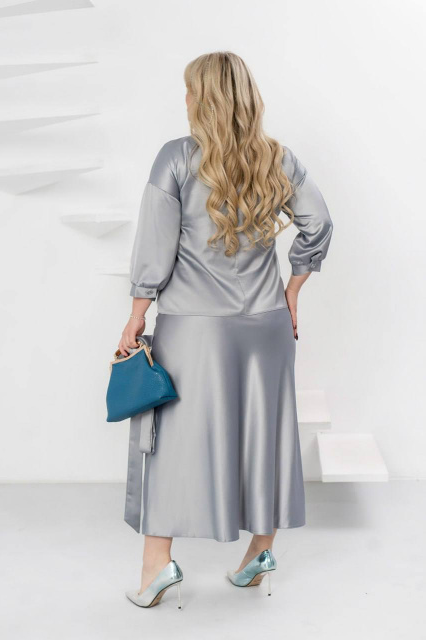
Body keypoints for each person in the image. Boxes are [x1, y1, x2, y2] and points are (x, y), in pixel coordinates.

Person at [120, 51, 333, 609]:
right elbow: (319, 222)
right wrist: (292, 290)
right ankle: (260, 552)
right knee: (265, 433)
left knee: (168, 438)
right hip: (266, 325)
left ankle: (156, 566)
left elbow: (154, 249)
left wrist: (137, 315)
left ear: (205, 99)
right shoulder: (277, 159)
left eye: (190, 90)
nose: (185, 99)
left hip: (195, 329)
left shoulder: (175, 157)